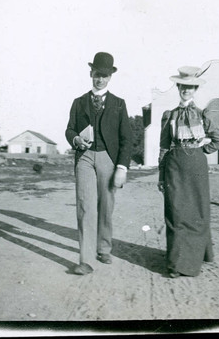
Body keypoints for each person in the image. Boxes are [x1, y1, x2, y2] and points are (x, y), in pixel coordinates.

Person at [66, 51, 133, 275]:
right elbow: (70, 129)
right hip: (84, 158)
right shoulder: (78, 102)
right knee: (85, 206)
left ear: (110, 77)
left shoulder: (119, 104)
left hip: (108, 159)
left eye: (104, 75)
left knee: (106, 205)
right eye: (96, 74)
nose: (99, 79)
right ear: (90, 73)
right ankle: (85, 260)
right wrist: (75, 139)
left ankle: (104, 248)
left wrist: (122, 167)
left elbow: (127, 139)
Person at [157, 65, 219, 278]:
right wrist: (161, 175)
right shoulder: (170, 115)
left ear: (195, 89)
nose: (186, 90)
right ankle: (176, 264)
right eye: (183, 86)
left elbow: (218, 140)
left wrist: (202, 150)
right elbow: (164, 147)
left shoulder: (203, 114)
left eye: (190, 87)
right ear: (178, 87)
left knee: (197, 213)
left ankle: (194, 259)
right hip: (174, 165)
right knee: (176, 212)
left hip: (196, 166)